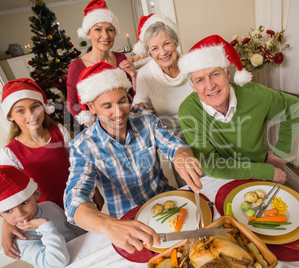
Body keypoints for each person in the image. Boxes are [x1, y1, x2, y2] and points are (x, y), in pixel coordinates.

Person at [64, 62, 203, 254]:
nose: (119, 112)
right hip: (127, 224)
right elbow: (74, 200)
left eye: (122, 101)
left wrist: (182, 156)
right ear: (92, 107)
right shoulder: (83, 146)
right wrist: (108, 225)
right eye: (107, 106)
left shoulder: (145, 118)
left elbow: (174, 146)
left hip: (167, 202)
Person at [178, 35, 299, 184]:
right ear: (193, 87)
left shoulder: (255, 94)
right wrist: (266, 171)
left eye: (215, 74)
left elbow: (294, 107)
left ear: (228, 74)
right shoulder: (188, 111)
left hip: (259, 167)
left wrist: (281, 151)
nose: (210, 86)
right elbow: (212, 165)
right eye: (200, 80)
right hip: (221, 177)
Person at [0, 78, 81, 260]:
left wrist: (94, 190)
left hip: (76, 201)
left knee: (84, 243)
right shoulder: (10, 152)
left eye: (35, 107)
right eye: (21, 111)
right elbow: (9, 195)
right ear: (10, 116)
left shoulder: (59, 131)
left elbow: (78, 165)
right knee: (62, 254)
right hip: (45, 214)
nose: (31, 114)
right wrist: (6, 226)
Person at [0, 165, 85, 267]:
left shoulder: (49, 206)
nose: (20, 214)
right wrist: (45, 226)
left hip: (83, 253)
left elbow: (76, 229)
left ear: (36, 194)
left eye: (24, 203)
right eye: (8, 211)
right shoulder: (20, 240)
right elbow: (57, 263)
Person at [132, 14, 193, 187]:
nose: (163, 52)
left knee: (216, 178)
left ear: (175, 42)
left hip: (203, 130)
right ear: (149, 52)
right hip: (174, 138)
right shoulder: (146, 74)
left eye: (167, 43)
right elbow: (139, 105)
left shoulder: (191, 65)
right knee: (189, 184)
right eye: (155, 48)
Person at [67, 0, 136, 127]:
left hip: (124, 120)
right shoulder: (77, 67)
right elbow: (71, 104)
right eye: (98, 29)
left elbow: (131, 95)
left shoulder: (120, 58)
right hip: (97, 126)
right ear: (88, 34)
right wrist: (92, 126)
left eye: (110, 30)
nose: (105, 36)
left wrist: (133, 76)